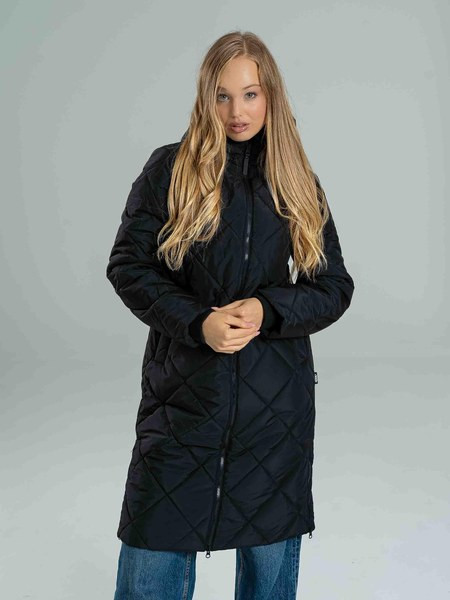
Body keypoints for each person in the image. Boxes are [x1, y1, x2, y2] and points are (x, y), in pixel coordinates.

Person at [106, 30, 355, 600]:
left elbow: (334, 285)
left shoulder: (295, 181)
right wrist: (198, 322)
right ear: (205, 98)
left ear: (271, 96)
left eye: (249, 94)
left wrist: (267, 309)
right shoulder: (170, 169)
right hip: (184, 404)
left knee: (269, 582)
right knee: (150, 568)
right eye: (222, 96)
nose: (236, 111)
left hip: (275, 419)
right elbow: (128, 266)